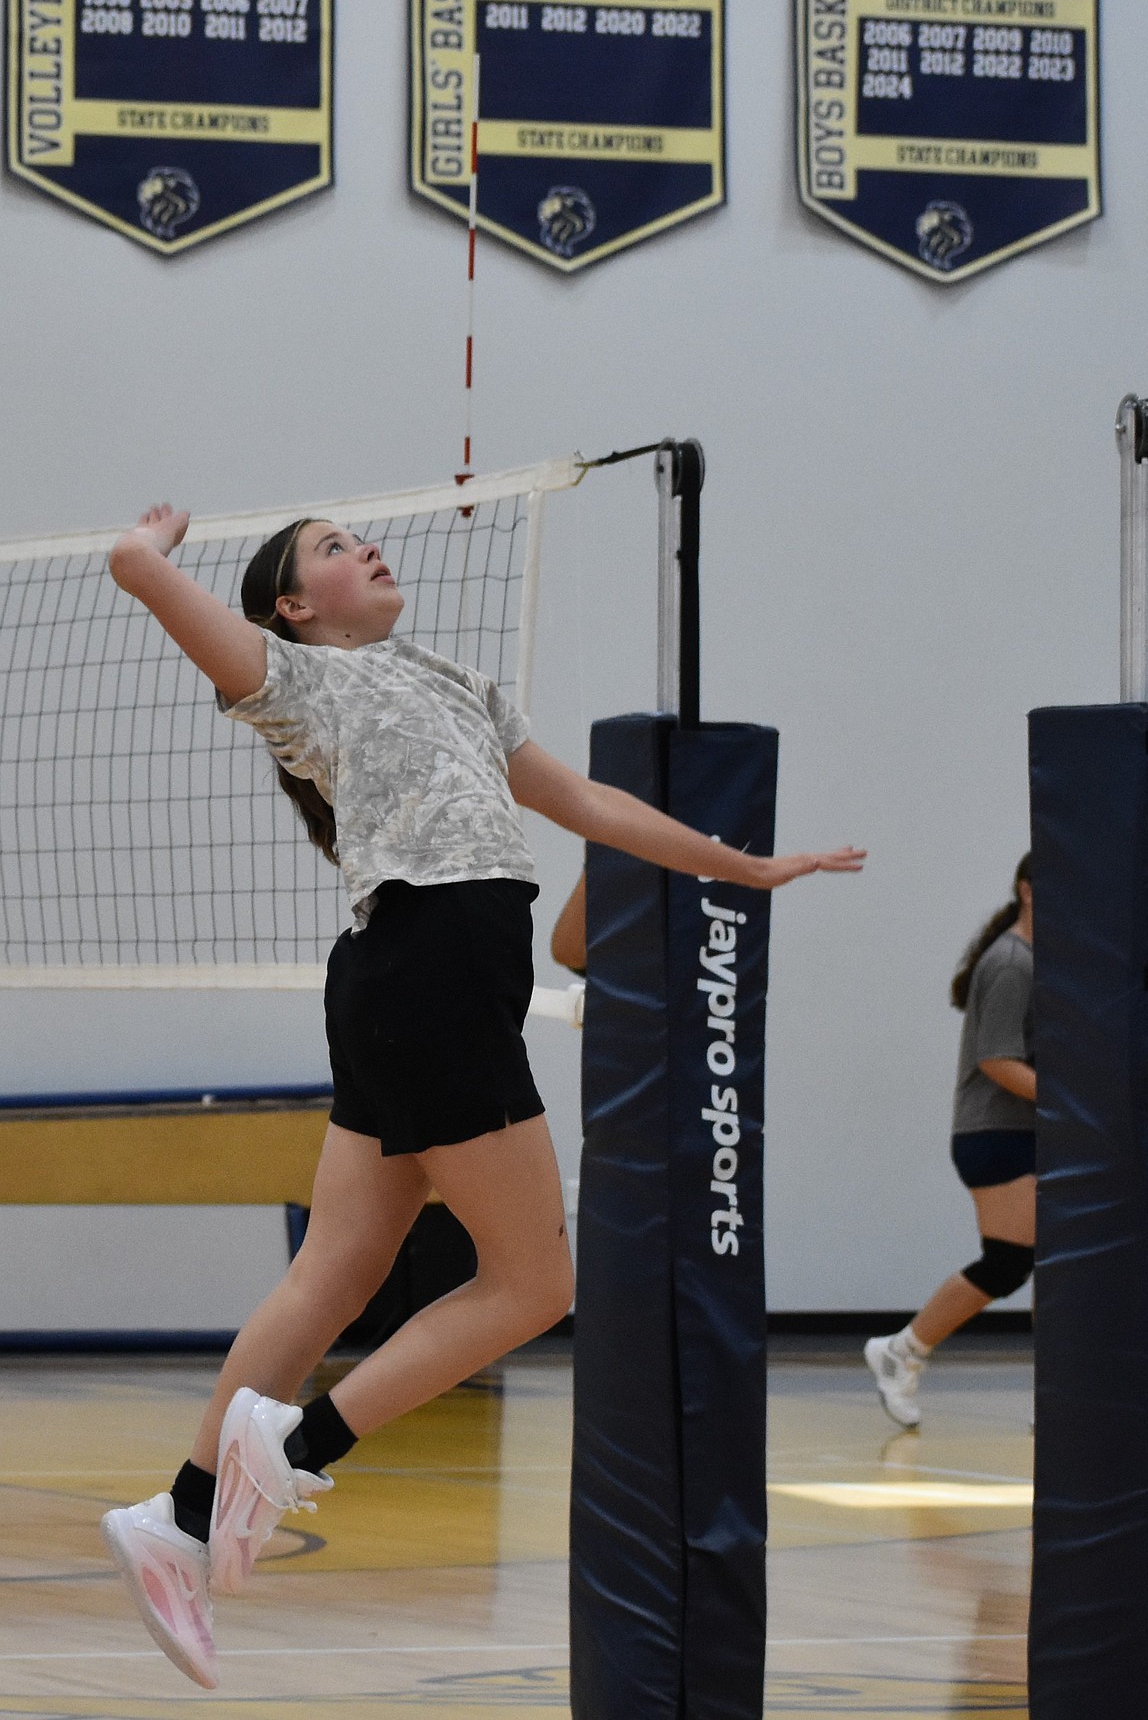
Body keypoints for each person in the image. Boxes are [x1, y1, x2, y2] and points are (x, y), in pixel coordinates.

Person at [98, 505, 866, 1689]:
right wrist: (144, 557)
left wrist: (741, 863)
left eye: (360, 535)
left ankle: (185, 1516)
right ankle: (297, 1442)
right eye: (333, 547)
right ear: (297, 604)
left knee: (333, 1274)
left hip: (408, 987)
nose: (364, 547)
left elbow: (586, 804)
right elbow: (167, 601)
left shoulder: (455, 679)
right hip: (429, 971)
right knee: (534, 1281)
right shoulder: (300, 680)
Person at [864, 854, 1034, 1430]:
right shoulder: (1013, 961)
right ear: (1028, 890)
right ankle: (902, 1350)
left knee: (1014, 1264)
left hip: (1021, 1134)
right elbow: (997, 1060)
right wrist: (1077, 1100)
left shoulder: (1037, 959)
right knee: (1023, 1261)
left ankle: (903, 1350)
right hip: (999, 1134)